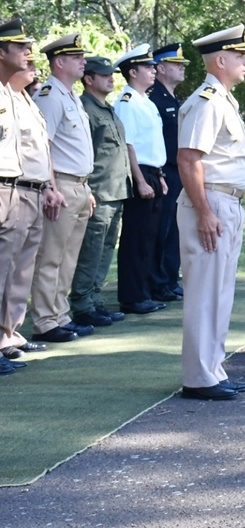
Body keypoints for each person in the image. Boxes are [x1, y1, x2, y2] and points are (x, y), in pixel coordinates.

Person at [177, 24, 245, 400]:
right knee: (205, 292)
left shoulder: (223, 98)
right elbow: (189, 159)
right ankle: (198, 377)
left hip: (227, 201)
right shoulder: (207, 100)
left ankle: (212, 369)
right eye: (240, 56)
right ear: (220, 60)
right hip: (210, 202)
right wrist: (204, 211)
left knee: (220, 292)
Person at [30, 34, 97, 344]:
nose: (83, 60)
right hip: (62, 186)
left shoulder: (70, 95)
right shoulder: (50, 95)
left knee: (68, 258)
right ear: (59, 62)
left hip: (79, 186)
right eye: (76, 56)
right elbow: (45, 147)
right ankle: (45, 320)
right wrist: (51, 188)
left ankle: (61, 315)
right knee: (51, 257)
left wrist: (87, 189)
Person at [0, 18, 54, 371]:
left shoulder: (14, 95)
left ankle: (8, 335)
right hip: (6, 188)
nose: (28, 53)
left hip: (25, 188)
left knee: (18, 270)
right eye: (20, 47)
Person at [70, 56, 134, 327]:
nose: (111, 78)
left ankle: (95, 299)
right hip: (99, 190)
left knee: (105, 248)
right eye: (105, 75)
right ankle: (82, 303)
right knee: (91, 250)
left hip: (116, 190)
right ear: (89, 79)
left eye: (112, 74)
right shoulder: (85, 108)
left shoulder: (106, 108)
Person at [112, 44, 171, 314]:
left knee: (150, 236)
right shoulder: (126, 102)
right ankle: (132, 296)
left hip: (153, 173)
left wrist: (159, 177)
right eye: (147, 67)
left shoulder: (145, 101)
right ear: (133, 71)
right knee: (136, 237)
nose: (153, 71)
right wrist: (141, 181)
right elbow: (129, 145)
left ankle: (144, 291)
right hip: (141, 174)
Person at [147, 43, 190, 302]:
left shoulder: (174, 99)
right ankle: (158, 281)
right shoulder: (154, 98)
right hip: (166, 171)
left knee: (176, 229)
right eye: (176, 64)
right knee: (162, 229)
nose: (181, 68)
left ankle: (170, 278)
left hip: (179, 171)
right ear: (161, 68)